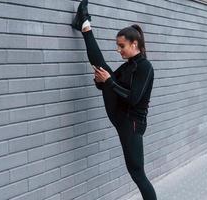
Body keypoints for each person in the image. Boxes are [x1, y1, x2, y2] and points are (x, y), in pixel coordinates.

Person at [71, 0, 157, 200]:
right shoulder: (129, 66)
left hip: (132, 123)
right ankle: (84, 25)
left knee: (137, 173)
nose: (118, 50)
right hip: (122, 115)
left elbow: (134, 99)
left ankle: (84, 24)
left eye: (122, 46)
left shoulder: (145, 67)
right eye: (117, 46)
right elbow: (107, 84)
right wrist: (101, 81)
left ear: (134, 44)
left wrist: (108, 82)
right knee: (101, 67)